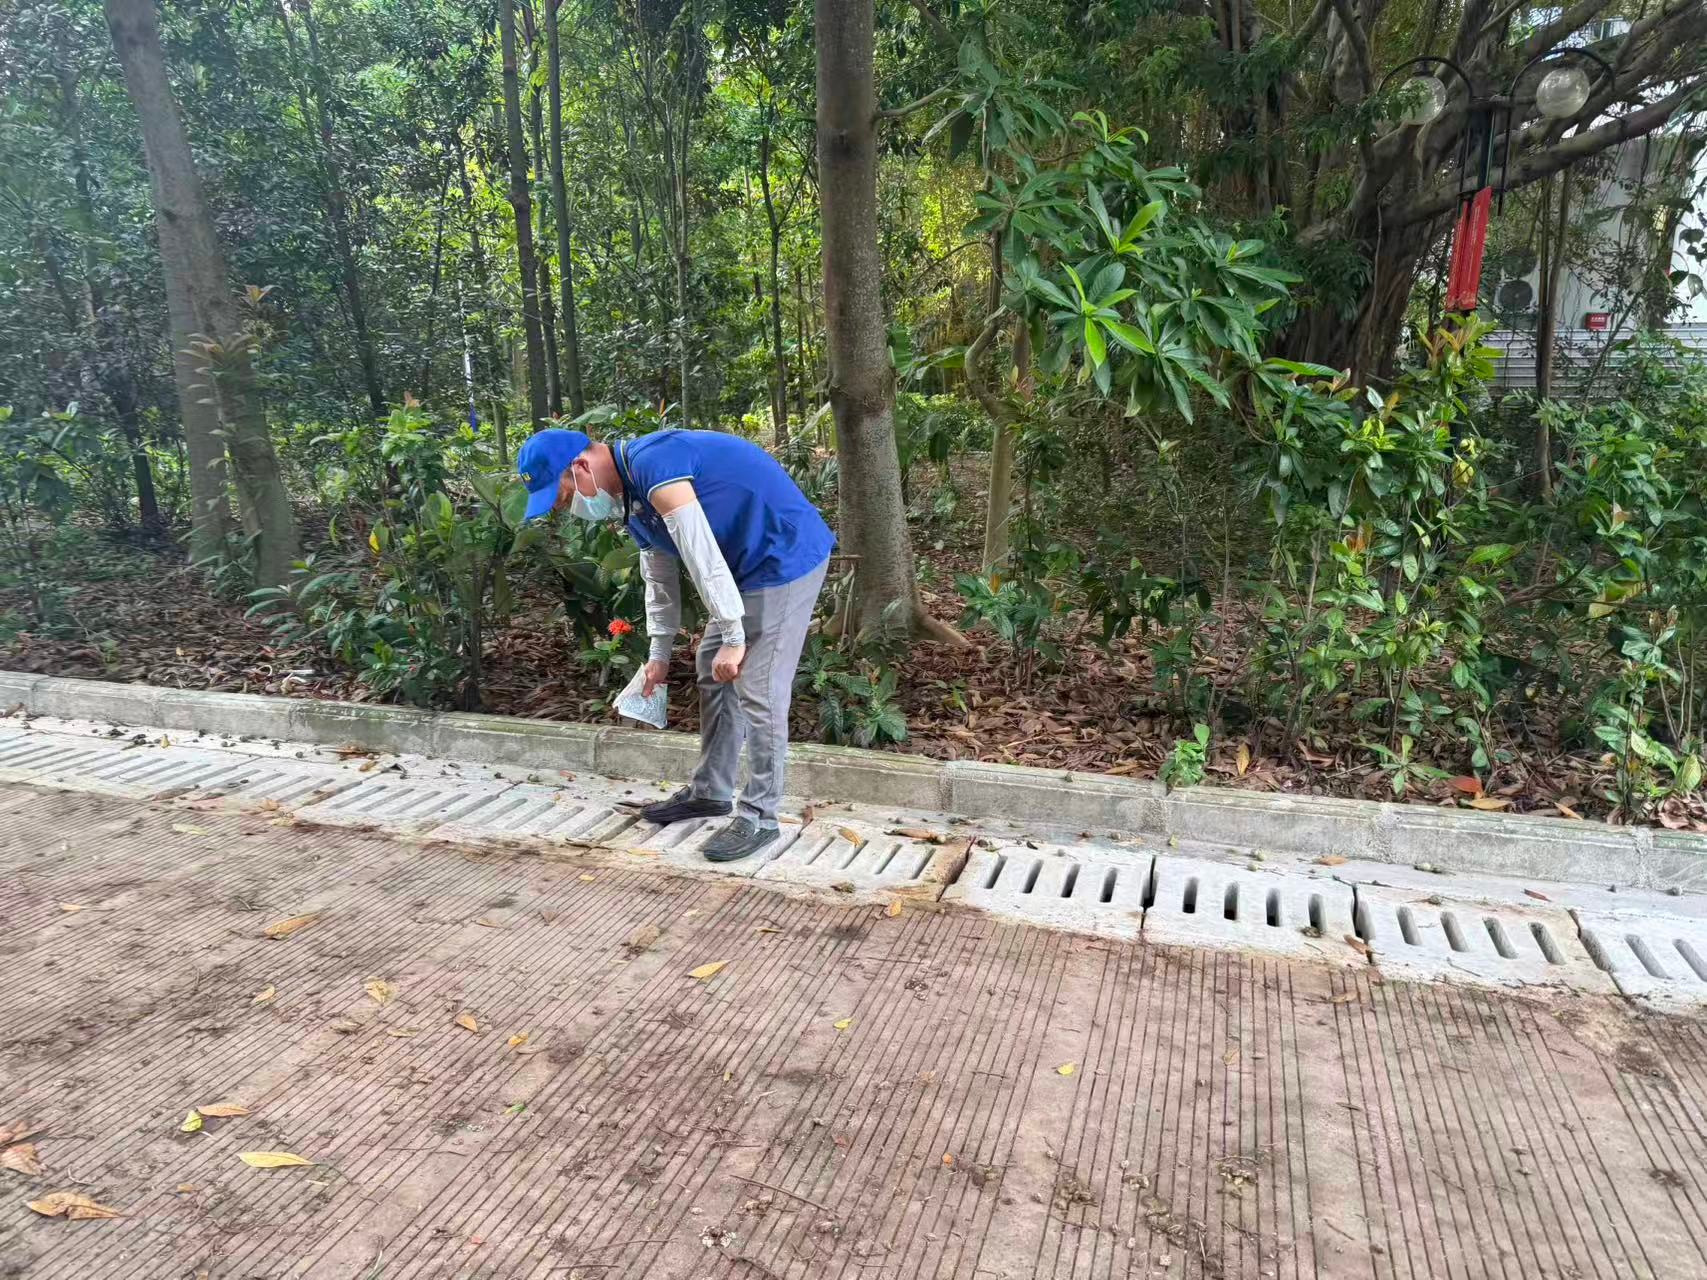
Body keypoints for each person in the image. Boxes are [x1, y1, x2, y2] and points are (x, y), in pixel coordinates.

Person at [518, 427, 834, 862]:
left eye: (564, 494)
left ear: (581, 466)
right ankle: (711, 792)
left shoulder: (656, 466)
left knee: (758, 686)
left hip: (784, 557)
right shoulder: (631, 498)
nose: (568, 507)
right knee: (711, 667)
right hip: (742, 568)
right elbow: (660, 578)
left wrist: (735, 637)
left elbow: (701, 553)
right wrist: (658, 655)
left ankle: (760, 816)